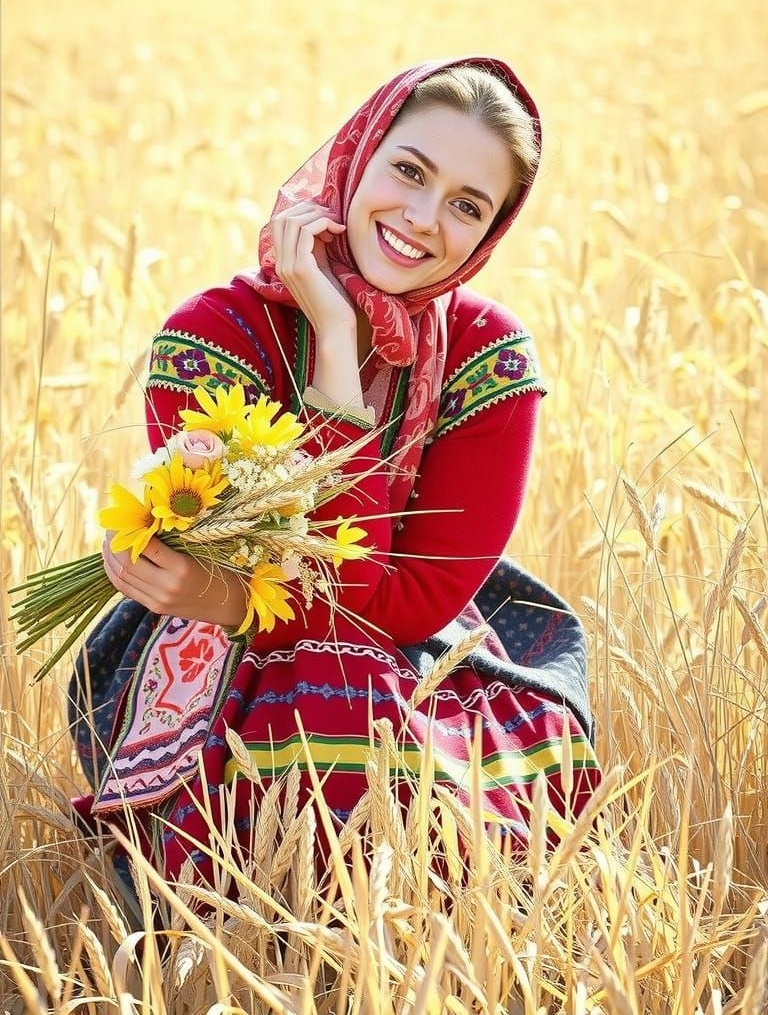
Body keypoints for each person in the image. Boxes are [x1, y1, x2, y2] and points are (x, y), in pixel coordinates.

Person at [70, 56, 600, 885]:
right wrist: (214, 596)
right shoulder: (213, 338)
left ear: (492, 231)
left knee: (397, 703)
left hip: (418, 637)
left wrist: (334, 343)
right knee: (330, 690)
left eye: (467, 205)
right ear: (358, 154)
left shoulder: (489, 355)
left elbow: (405, 603)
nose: (424, 219)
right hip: (210, 642)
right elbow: (268, 602)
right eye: (409, 171)